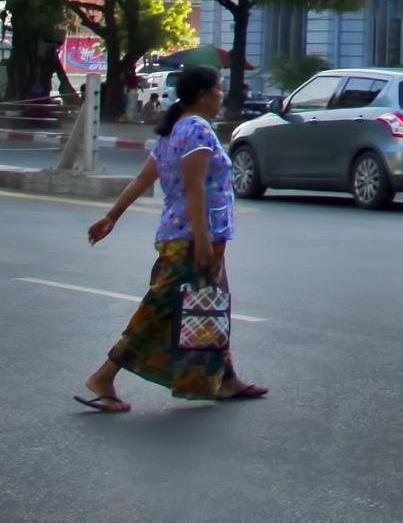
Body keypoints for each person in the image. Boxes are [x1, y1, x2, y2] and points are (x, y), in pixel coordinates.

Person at [75, 65, 267, 411]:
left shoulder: (175, 131)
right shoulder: (195, 131)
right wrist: (204, 243)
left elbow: (141, 180)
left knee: (212, 307)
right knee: (157, 309)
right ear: (203, 95)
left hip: (186, 236)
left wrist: (111, 216)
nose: (222, 95)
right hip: (191, 240)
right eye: (219, 89)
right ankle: (104, 376)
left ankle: (226, 378)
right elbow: (195, 190)